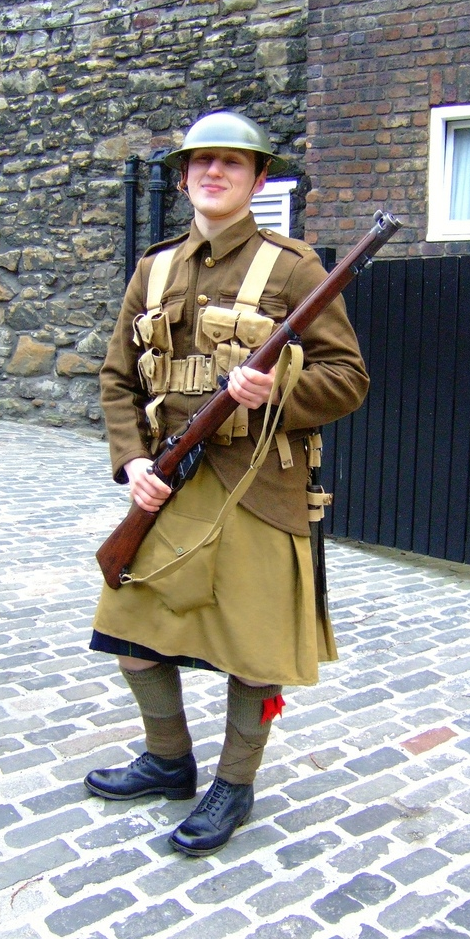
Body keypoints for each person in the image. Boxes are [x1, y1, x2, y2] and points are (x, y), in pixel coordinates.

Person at [85, 111, 370, 856]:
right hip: (167, 483)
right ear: (183, 177)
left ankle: (234, 785)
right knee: (130, 631)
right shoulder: (153, 268)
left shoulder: (295, 267)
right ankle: (168, 760)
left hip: (258, 485)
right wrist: (134, 462)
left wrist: (277, 387)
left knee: (254, 650)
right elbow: (118, 378)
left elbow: (348, 380)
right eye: (201, 162)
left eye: (232, 164)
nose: (214, 174)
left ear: (256, 179)